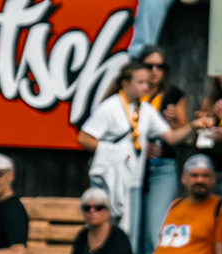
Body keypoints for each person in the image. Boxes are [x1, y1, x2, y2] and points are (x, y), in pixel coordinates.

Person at [78, 58, 185, 234]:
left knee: (130, 234)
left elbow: (171, 137)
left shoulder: (145, 109)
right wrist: (113, 153)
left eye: (147, 83)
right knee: (103, 230)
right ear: (125, 83)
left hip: (132, 179)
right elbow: (84, 138)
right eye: (141, 82)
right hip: (107, 177)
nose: (146, 87)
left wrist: (194, 126)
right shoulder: (109, 107)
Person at [131, 45, 191, 254]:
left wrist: (174, 121)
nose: (155, 71)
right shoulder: (132, 93)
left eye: (160, 66)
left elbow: (183, 135)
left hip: (161, 165)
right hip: (134, 164)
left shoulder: (173, 94)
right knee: (132, 229)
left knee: (154, 230)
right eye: (149, 66)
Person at [149, 155, 222, 254]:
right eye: (194, 175)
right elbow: (161, 243)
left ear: (213, 179)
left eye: (205, 176)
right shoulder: (175, 204)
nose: (199, 180)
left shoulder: (220, 207)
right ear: (184, 178)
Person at [68, 186, 134, 254]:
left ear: (108, 211)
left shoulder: (119, 237)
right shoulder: (82, 235)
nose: (92, 211)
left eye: (98, 207)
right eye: (87, 208)